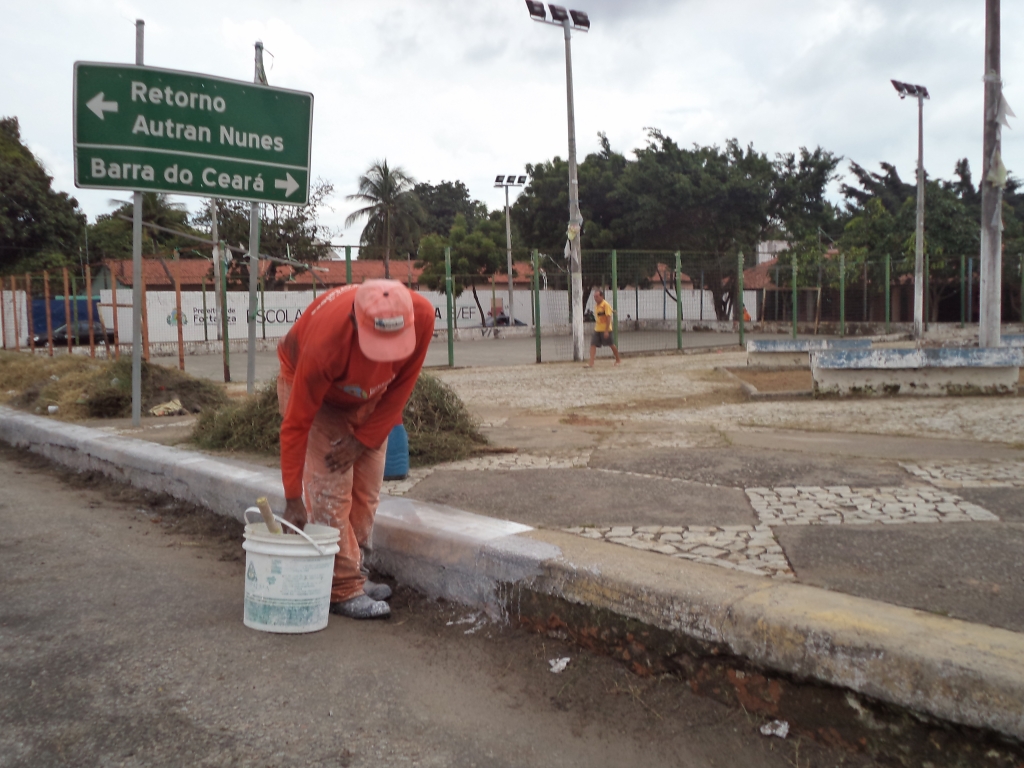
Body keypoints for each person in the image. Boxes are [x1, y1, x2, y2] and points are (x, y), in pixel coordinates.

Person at [277, 279, 434, 620]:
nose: (388, 354)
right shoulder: (324, 345)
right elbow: (296, 424)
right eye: (379, 345)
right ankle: (340, 588)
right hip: (321, 400)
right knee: (330, 490)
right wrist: (292, 498)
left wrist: (363, 439)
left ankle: (355, 573)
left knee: (367, 489)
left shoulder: (422, 315)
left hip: (373, 396)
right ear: (355, 322)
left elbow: (402, 385)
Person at [586, 288, 621, 367]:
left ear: (602, 296)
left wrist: (606, 331)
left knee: (611, 344)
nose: (595, 298)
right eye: (594, 297)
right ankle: (591, 363)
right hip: (597, 328)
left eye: (597, 296)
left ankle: (618, 359)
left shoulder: (606, 305)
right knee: (593, 344)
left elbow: (608, 317)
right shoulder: (596, 306)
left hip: (606, 329)